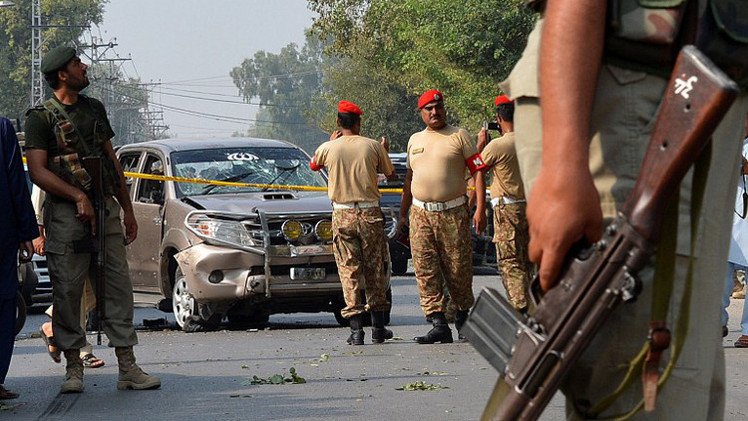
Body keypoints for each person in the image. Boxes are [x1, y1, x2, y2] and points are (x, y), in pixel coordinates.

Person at [494, 1, 748, 419]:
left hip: (699, 100)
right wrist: (563, 162)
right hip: (632, 100)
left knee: (684, 389)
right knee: (647, 393)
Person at [24, 46, 160, 394]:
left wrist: (126, 209)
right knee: (68, 290)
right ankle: (73, 368)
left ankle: (127, 367)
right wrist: (78, 196)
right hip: (66, 216)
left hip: (105, 211)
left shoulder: (94, 109)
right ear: (62, 75)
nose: (84, 67)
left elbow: (111, 162)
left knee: (117, 287)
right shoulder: (40, 117)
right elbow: (38, 171)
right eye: (76, 64)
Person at [399, 89, 486, 344]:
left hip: (453, 212)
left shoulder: (460, 136)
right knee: (425, 268)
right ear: (421, 113)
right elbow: (408, 180)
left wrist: (479, 208)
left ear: (443, 108)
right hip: (420, 214)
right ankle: (437, 323)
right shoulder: (414, 140)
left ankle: (462, 318)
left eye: (438, 107)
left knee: (458, 268)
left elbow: (478, 171)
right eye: (429, 109)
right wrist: (403, 215)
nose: (435, 112)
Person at [310, 100, 395, 345]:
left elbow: (314, 164)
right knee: (374, 269)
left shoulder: (329, 147)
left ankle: (356, 331)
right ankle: (378, 328)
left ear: (338, 123)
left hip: (343, 214)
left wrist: (331, 141)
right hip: (370, 214)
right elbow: (390, 174)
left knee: (349, 270)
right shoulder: (372, 146)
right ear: (359, 123)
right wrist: (383, 150)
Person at [31, 185, 105, 368]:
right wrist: (38, 230)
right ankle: (82, 350)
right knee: (74, 288)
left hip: (95, 224)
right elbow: (40, 189)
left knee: (98, 287)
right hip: (63, 226)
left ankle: (53, 326)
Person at [476, 95, 532, 313]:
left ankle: (521, 307)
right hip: (532, 207)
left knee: (509, 260)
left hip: (507, 210)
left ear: (498, 118)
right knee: (528, 260)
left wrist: (481, 146)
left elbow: (476, 168)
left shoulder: (497, 146)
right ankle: (536, 306)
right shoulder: (533, 141)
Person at [0, 118, 37, 400]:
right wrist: (26, 232)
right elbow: (16, 180)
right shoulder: (2, 128)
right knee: (3, 302)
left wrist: (26, 231)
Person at [722, 116, 748, 348]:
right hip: (729, 223)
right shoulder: (729, 143)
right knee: (720, 280)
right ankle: (716, 324)